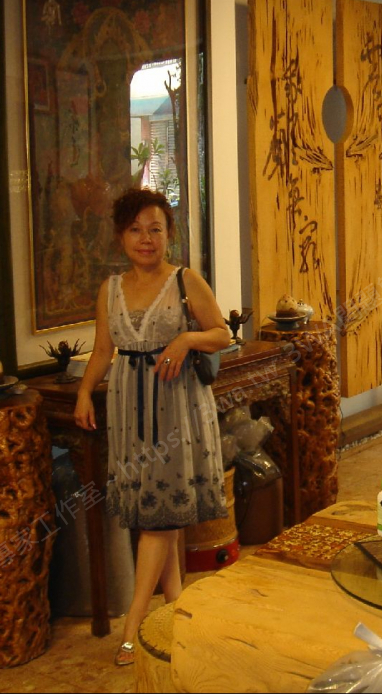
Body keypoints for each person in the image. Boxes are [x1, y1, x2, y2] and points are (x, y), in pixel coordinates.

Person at [74, 188, 229, 667]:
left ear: (168, 235)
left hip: (176, 409)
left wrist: (185, 340)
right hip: (129, 412)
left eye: (155, 229)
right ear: (121, 237)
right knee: (154, 517)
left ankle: (133, 630)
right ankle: (177, 613)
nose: (146, 238)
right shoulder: (110, 289)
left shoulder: (185, 280)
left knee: (159, 520)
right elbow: (104, 350)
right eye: (136, 230)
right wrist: (84, 392)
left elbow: (222, 333)